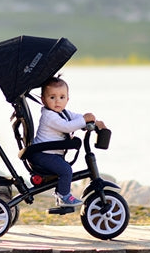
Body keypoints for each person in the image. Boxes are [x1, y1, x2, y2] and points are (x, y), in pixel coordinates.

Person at [29, 76, 106, 207]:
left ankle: (61, 194)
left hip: (49, 154)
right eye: (52, 97)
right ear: (43, 100)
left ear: (67, 99)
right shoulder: (49, 116)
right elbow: (67, 127)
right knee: (66, 170)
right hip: (42, 155)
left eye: (62, 97)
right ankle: (64, 196)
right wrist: (84, 120)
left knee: (64, 169)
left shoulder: (63, 112)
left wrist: (94, 121)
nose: (57, 101)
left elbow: (76, 118)